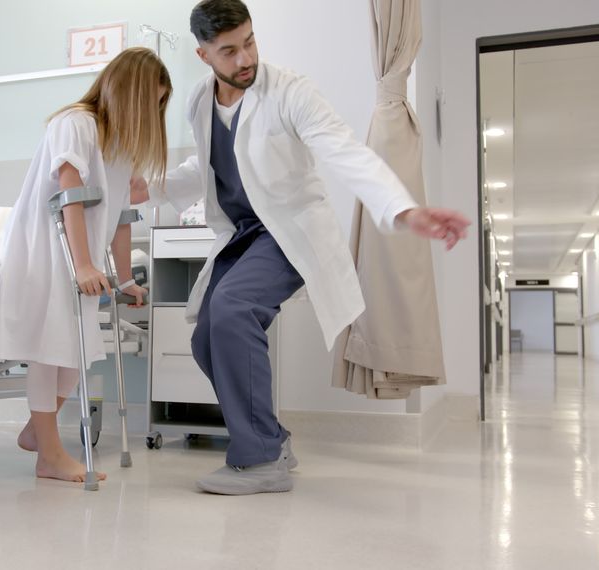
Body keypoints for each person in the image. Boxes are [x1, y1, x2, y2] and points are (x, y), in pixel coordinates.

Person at [131, 0, 470, 495]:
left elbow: (344, 150)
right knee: (206, 337)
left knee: (231, 308)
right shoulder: (199, 102)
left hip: (288, 231)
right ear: (204, 55)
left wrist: (403, 208)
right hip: (243, 234)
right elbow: (206, 169)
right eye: (229, 50)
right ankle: (272, 439)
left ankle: (260, 459)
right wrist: (152, 187)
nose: (245, 57)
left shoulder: (289, 91)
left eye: (249, 41)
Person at [0, 47, 170, 484]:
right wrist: (85, 263)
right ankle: (49, 454)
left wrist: (125, 277)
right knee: (51, 347)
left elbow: (121, 217)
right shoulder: (75, 123)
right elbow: (68, 192)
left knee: (77, 351)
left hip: (78, 255)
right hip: (48, 246)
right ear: (128, 92)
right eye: (153, 101)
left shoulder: (121, 148)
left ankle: (38, 433)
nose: (156, 112)